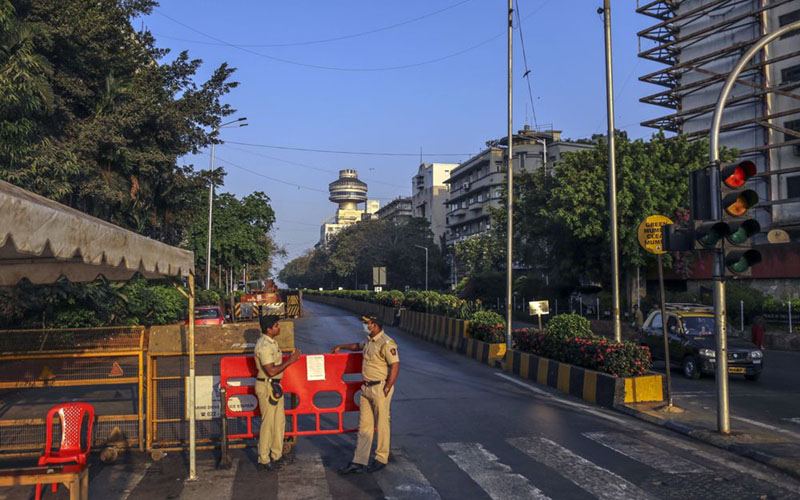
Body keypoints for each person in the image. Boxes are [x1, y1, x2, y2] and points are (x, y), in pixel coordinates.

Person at [333, 315, 400, 474]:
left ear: (375, 325)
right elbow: (358, 346)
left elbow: (395, 365)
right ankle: (359, 460)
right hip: (366, 388)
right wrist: (341, 346)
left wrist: (387, 388)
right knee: (364, 426)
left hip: (380, 388)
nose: (364, 325)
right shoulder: (370, 341)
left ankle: (381, 458)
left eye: (367, 323)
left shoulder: (386, 342)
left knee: (382, 424)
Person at [254, 314, 301, 471]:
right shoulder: (265, 346)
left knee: (279, 422)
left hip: (274, 387)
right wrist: (291, 360)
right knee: (268, 424)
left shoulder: (271, 343)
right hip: (267, 386)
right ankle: (264, 458)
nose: (278, 328)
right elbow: (271, 371)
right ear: (269, 329)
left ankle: (276, 455)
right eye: (276, 326)